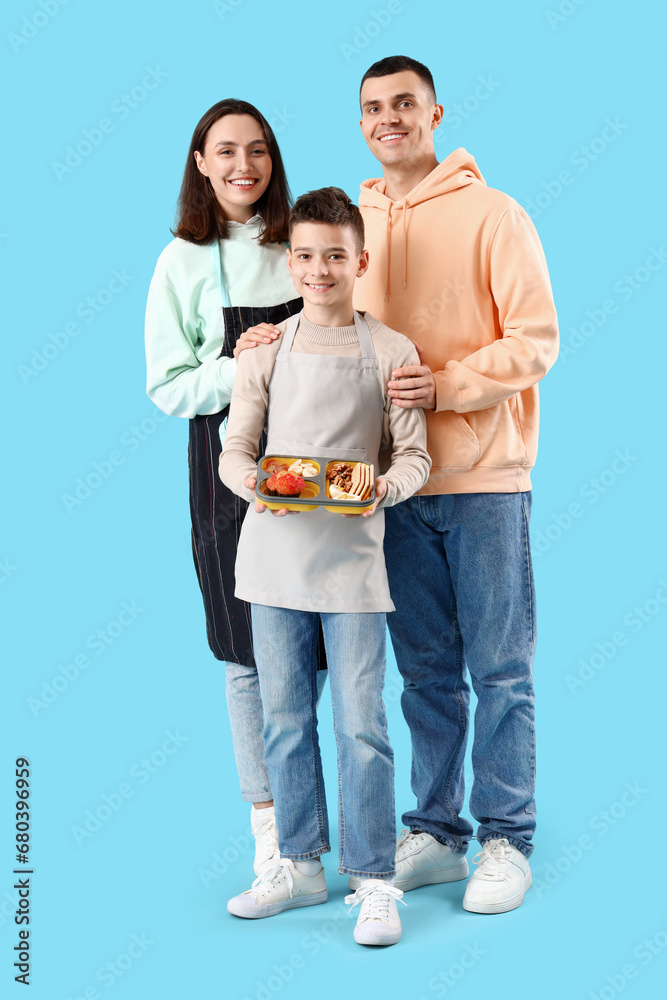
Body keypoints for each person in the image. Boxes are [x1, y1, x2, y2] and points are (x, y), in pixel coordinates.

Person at [352, 55, 559, 913]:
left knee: (500, 668)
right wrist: (267, 342)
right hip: (392, 485)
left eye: (404, 103)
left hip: (481, 476)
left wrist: (447, 384)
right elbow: (324, 313)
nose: (388, 118)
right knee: (423, 672)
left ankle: (506, 838)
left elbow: (535, 338)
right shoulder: (349, 217)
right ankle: (435, 833)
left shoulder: (493, 213)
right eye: (372, 107)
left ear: (435, 112)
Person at [219, 187, 431, 946]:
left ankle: (373, 879)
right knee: (282, 717)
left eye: (334, 256)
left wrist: (382, 487)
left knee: (361, 722)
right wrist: (252, 486)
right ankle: (299, 865)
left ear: (359, 261)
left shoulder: (391, 351)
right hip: (272, 557)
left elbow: (413, 457)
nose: (318, 269)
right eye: (304, 256)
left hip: (353, 563)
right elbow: (235, 450)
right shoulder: (266, 351)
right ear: (289, 260)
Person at [144, 99, 326, 878]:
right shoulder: (180, 261)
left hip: (316, 462)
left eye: (256, 151)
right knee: (246, 650)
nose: (242, 165)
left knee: (321, 642)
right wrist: (240, 364)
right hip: (228, 473)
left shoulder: (303, 246)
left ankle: (320, 823)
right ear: (200, 162)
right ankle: (271, 834)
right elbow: (167, 386)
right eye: (225, 152)